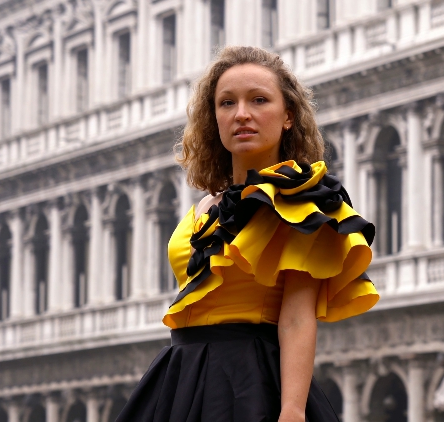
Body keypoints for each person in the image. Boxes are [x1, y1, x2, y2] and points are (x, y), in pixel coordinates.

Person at [117, 46, 379, 422]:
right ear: (214, 118)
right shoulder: (204, 208)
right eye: (226, 103)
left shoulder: (298, 201)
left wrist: (292, 410)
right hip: (179, 376)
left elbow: (296, 318)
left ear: (288, 116)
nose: (241, 114)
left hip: (249, 381)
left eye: (259, 100)